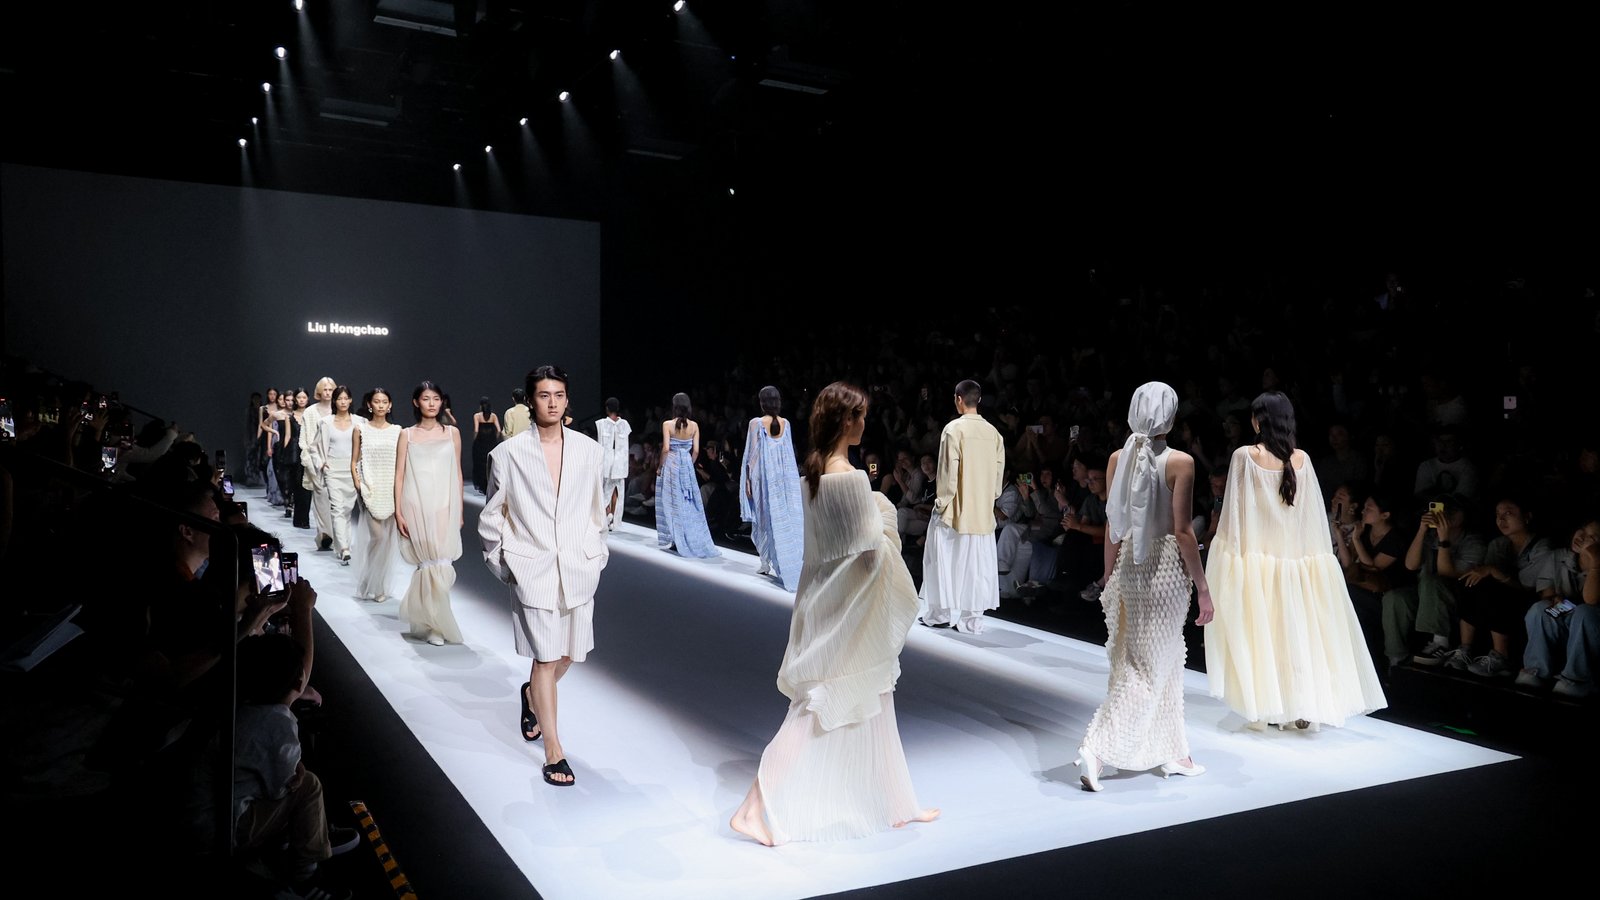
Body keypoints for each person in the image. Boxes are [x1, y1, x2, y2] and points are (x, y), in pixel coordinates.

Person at [729, 381, 938, 845]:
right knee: (816, 707)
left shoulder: (812, 473)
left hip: (824, 601)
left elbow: (826, 551)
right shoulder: (851, 477)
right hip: (850, 609)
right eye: (860, 415)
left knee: (875, 692)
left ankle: (896, 803)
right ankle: (752, 806)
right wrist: (886, 517)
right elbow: (870, 555)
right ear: (846, 421)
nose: (865, 422)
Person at [1204, 391, 1387, 729]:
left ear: (1257, 421)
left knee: (1263, 635)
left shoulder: (1246, 455)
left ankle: (1271, 706)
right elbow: (1309, 517)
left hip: (1257, 561)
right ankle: (1298, 705)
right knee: (1297, 634)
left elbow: (1235, 514)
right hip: (1296, 563)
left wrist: (1227, 557)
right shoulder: (1301, 459)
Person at [1076, 382, 1214, 791]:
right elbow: (1183, 532)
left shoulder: (1118, 458)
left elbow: (1113, 526)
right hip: (1164, 569)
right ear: (1170, 417)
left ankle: (1175, 751)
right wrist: (1203, 588)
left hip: (1130, 568)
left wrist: (1108, 575)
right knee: (1147, 666)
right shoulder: (1181, 462)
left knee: (1161, 659)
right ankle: (1097, 749)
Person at [479, 365, 610, 787]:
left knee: (570, 653)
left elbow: (596, 510)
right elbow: (492, 515)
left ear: (567, 399)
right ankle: (554, 751)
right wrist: (505, 563)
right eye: (543, 395)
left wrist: (597, 553)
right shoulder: (508, 454)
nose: (552, 403)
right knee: (546, 657)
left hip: (578, 565)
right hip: (531, 565)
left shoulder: (590, 451)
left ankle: (532, 695)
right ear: (530, 401)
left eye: (558, 395)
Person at [917, 379, 1006, 634]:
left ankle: (939, 614)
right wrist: (988, 498)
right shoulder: (993, 433)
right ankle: (971, 620)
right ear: (978, 400)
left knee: (941, 560)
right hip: (982, 511)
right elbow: (998, 477)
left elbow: (948, 474)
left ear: (958, 399)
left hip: (955, 510)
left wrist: (941, 503)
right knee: (976, 565)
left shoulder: (953, 430)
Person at [394, 381, 464, 646]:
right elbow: (399, 475)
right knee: (427, 562)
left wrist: (458, 509)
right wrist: (398, 511)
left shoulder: (452, 433)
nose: (432, 403)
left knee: (442, 562)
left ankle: (431, 620)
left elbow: (457, 473)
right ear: (416, 402)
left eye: (436, 398)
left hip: (444, 503)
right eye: (426, 398)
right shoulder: (407, 435)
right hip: (416, 503)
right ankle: (434, 625)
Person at [739, 385, 804, 590]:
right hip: (782, 479)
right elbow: (789, 455)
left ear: (762, 403)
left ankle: (766, 562)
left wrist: (747, 480)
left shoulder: (756, 423)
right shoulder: (786, 423)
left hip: (763, 478)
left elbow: (752, 455)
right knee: (781, 517)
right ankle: (780, 561)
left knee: (763, 518)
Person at [655, 392, 721, 558]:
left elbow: (666, 448)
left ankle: (678, 540)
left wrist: (660, 466)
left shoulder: (667, 424)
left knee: (672, 502)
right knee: (688, 502)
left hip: (672, 464)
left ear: (674, 407)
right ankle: (687, 539)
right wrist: (688, 465)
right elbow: (696, 450)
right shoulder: (694, 426)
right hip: (686, 465)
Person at [352, 388, 402, 603]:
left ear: (390, 405)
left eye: (384, 402)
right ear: (369, 405)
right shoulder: (360, 429)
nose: (380, 405)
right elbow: (354, 460)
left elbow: (401, 464)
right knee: (378, 537)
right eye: (376, 401)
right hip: (369, 488)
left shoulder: (398, 431)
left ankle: (375, 582)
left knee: (387, 541)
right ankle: (371, 580)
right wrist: (358, 484)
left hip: (390, 489)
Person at [309, 385, 360, 565]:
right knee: (338, 509)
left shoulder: (360, 422)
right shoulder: (325, 422)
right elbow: (313, 447)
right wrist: (321, 464)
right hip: (332, 469)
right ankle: (345, 548)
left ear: (351, 400)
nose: (343, 402)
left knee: (346, 510)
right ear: (334, 401)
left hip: (352, 471)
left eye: (346, 398)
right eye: (339, 399)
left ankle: (341, 546)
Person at [299, 377, 337, 551]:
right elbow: (305, 439)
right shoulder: (310, 412)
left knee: (337, 502)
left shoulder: (339, 411)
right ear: (319, 392)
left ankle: (337, 536)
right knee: (321, 500)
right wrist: (309, 461)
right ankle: (325, 535)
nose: (327, 393)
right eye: (325, 389)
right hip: (316, 462)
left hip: (336, 461)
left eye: (330, 390)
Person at [595, 397, 631, 530]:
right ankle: (611, 520)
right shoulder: (625, 424)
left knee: (603, 488)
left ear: (607, 408)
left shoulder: (601, 423)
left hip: (606, 461)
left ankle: (608, 513)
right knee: (615, 490)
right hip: (620, 462)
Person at [471, 396, 501, 495]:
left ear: (480, 406)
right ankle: (490, 485)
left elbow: (476, 430)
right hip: (491, 442)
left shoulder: (477, 416)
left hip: (480, 442)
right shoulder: (493, 416)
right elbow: (499, 430)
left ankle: (483, 486)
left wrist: (474, 440)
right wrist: (495, 439)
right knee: (490, 464)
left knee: (480, 464)